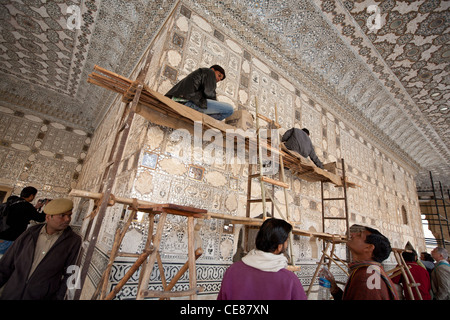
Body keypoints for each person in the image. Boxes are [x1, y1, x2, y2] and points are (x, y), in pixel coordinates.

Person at [0, 198, 81, 300]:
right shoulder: (30, 233)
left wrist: (59, 297)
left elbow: (72, 274)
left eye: (69, 215)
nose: (67, 219)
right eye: (62, 215)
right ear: (48, 217)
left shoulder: (73, 241)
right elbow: (6, 264)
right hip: (12, 294)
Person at [217, 218, 306, 300]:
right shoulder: (289, 280)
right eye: (286, 241)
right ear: (279, 246)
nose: (286, 245)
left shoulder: (232, 271)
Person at [325, 224, 398, 300]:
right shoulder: (367, 272)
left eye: (359, 235)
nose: (352, 235)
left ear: (368, 248)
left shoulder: (367, 278)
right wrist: (335, 289)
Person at [165, 65, 234, 121]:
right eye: (219, 75)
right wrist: (216, 107)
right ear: (213, 69)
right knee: (229, 109)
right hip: (185, 102)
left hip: (184, 100)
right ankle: (207, 122)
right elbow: (209, 93)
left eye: (220, 79)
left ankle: (206, 121)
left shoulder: (202, 75)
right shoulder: (209, 72)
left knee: (219, 110)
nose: (219, 79)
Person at [0, 186, 46, 254]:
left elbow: (21, 214)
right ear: (31, 196)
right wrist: (47, 208)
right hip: (10, 239)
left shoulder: (11, 202)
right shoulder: (27, 206)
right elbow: (40, 218)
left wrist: (35, 208)